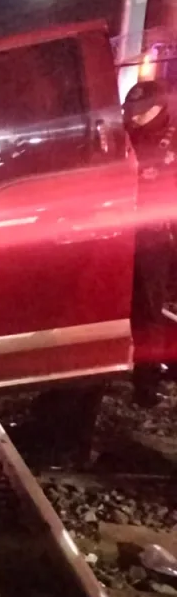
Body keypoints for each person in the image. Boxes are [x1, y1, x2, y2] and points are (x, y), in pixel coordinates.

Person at [124, 79, 177, 405]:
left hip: (153, 236)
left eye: (141, 111)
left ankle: (148, 384)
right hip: (124, 233)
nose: (134, 117)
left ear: (159, 107)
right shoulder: (131, 134)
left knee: (147, 313)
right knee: (127, 308)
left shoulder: (169, 143)